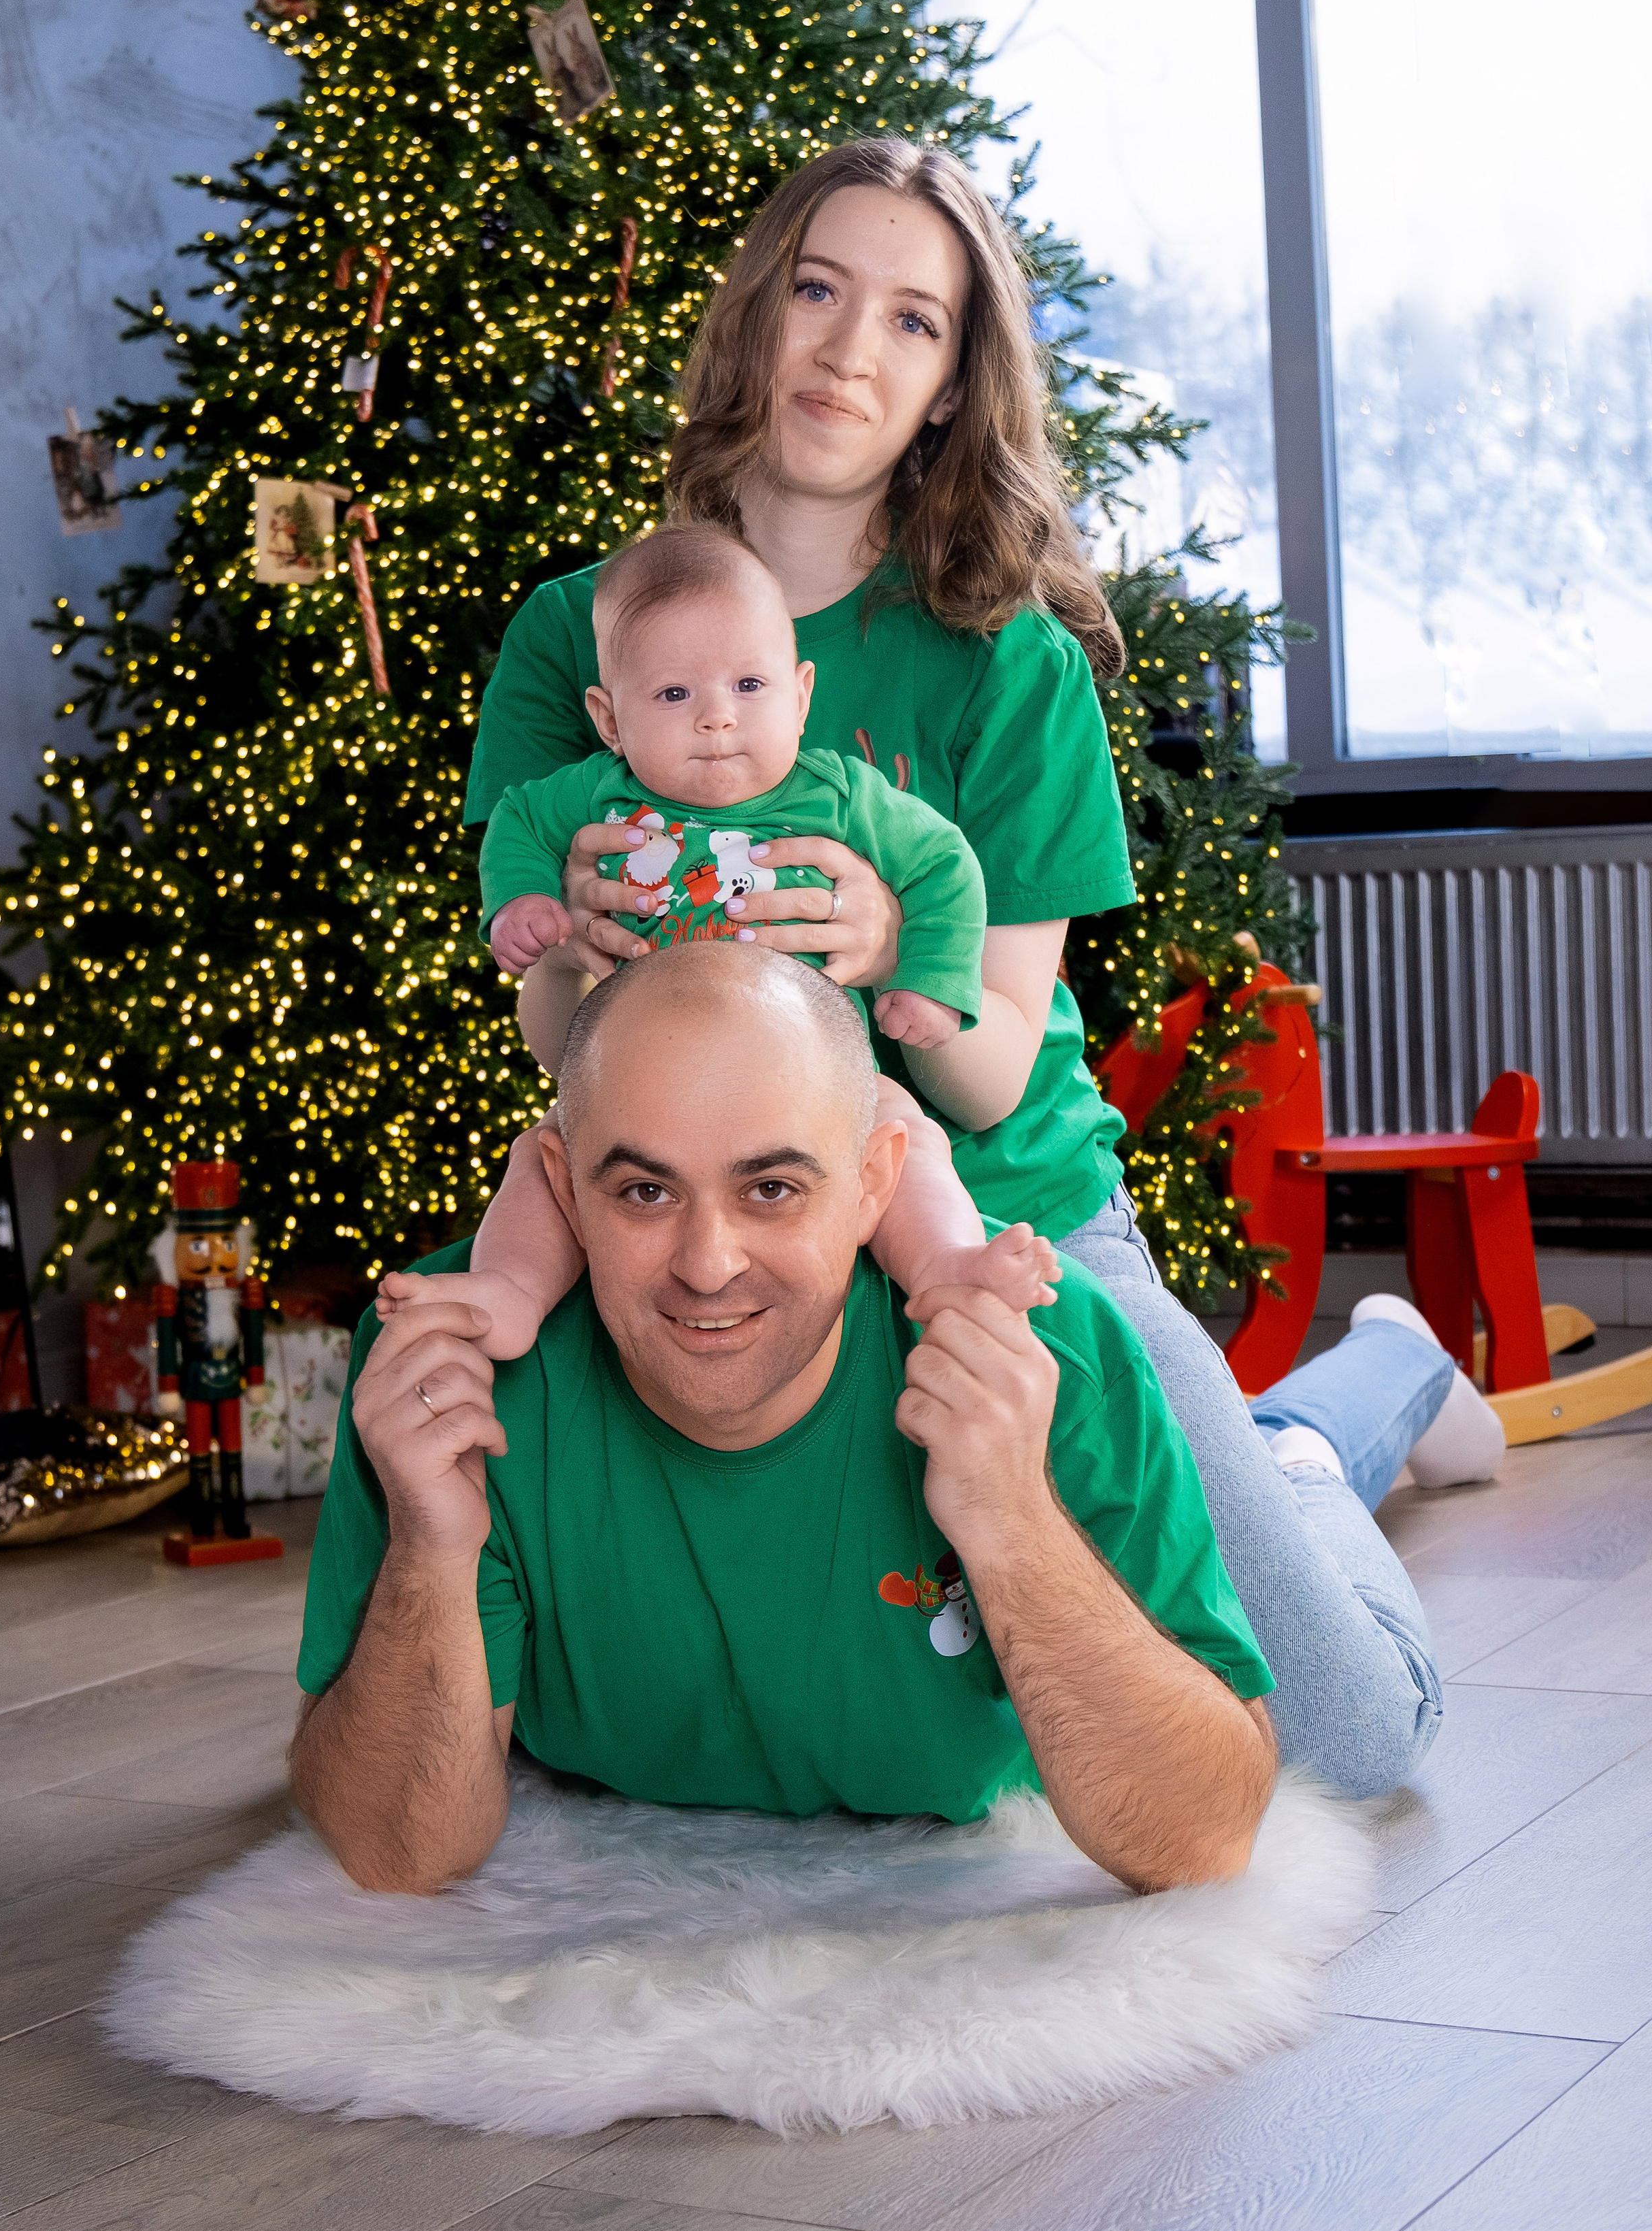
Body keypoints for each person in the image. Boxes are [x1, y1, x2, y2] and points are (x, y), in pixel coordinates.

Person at [448, 134, 1464, 1798]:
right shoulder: (586, 634)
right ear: (753, 313)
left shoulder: (1009, 663)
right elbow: (553, 1039)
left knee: (1350, 1738)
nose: (850, 348)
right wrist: (584, 951)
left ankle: (1329, 1413)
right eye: (819, 289)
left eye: (911, 321)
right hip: (729, 1233)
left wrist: (882, 943)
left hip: (1001, 1215)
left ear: (946, 384)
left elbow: (994, 1065)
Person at [292, 945, 1280, 1897]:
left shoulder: (1047, 1347)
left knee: (1365, 1712)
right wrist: (429, 1545)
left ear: (874, 1184)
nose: (708, 1263)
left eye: (772, 1189)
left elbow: (1200, 1839)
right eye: (644, 1192)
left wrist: (1014, 1518)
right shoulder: (446, 1354)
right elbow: (398, 1855)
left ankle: (1323, 1432)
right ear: (562, 1189)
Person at [459, 516, 1061, 1366]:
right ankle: (508, 1294)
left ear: (802, 693)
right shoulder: (594, 796)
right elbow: (516, 821)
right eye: (674, 696)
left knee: (902, 1137)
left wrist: (923, 973)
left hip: (817, 1086)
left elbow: (944, 864)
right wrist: (524, 903)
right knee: (549, 1158)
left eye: (749, 686)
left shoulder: (841, 797)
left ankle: (948, 1267)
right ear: (609, 717)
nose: (716, 719)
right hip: (647, 1091)